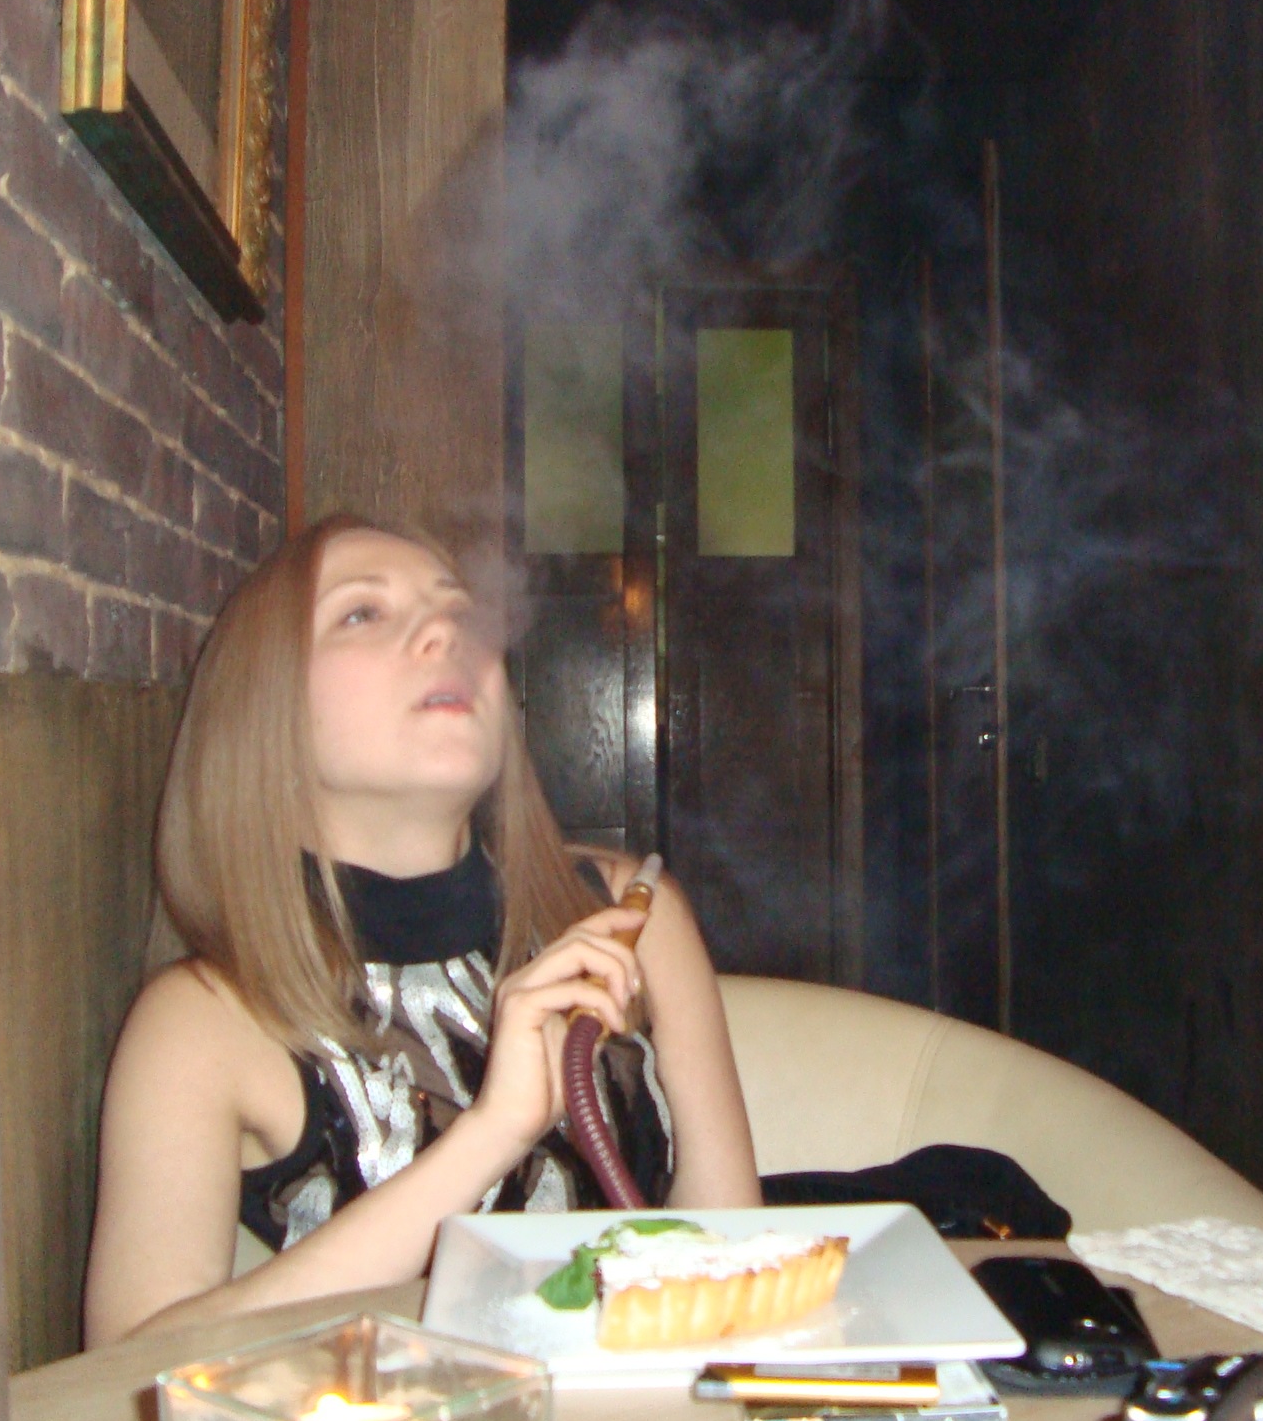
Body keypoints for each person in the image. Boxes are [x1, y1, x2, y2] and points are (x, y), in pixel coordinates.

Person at [84, 515, 761, 1347]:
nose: (446, 632)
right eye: (361, 613)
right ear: (263, 706)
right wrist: (491, 1133)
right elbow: (125, 1369)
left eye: (460, 611)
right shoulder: (206, 1018)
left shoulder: (630, 920)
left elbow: (739, 1267)